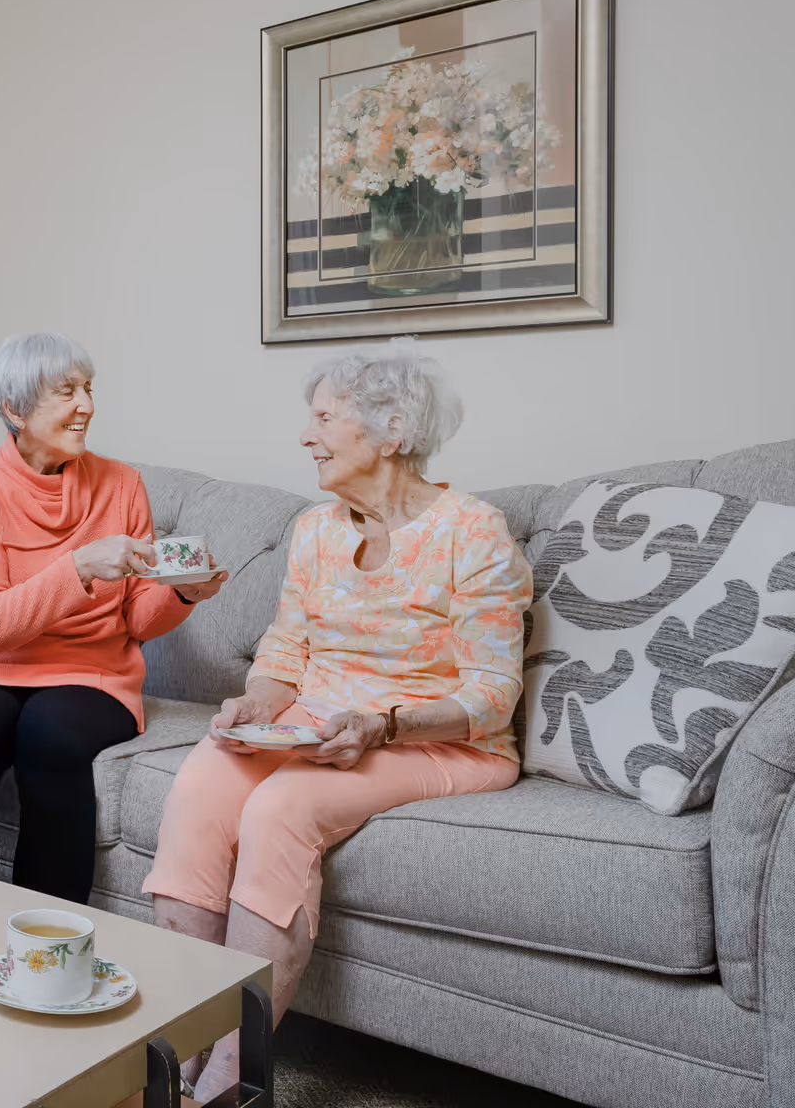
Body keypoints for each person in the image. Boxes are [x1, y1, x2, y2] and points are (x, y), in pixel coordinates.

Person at [142, 339, 530, 1103]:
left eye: (324, 417)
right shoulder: (317, 530)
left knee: (284, 805)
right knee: (201, 779)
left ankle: (226, 1085)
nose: (306, 434)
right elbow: (285, 649)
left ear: (391, 430)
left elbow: (493, 694)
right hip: (317, 721)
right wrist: (257, 700)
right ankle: (170, 1058)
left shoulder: (472, 531)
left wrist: (383, 725)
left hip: (442, 737)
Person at [0, 332, 227, 904]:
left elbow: (136, 619)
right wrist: (79, 567)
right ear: (14, 409)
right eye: (66, 392)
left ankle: (46, 943)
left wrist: (183, 593)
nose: (86, 404)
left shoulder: (122, 484)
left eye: (87, 389)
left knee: (50, 743)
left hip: (91, 672)